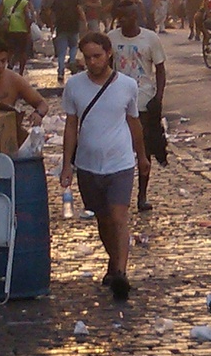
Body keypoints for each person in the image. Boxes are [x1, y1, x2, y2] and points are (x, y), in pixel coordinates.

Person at [60, 32, 148, 302]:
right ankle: (113, 261)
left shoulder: (127, 86)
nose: (92, 61)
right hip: (88, 164)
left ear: (109, 53)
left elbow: (134, 122)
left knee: (119, 217)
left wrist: (142, 156)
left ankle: (120, 273)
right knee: (103, 219)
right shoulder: (74, 86)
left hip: (120, 161)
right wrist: (66, 165)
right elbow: (71, 126)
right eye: (87, 57)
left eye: (97, 56)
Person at [110, 0, 167, 212]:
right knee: (118, 148)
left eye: (128, 16)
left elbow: (160, 69)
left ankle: (142, 195)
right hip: (117, 102)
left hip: (143, 101)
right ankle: (120, 195)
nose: (123, 21)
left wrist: (158, 98)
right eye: (120, 17)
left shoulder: (150, 39)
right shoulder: (111, 39)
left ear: (136, 17)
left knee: (144, 150)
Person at [49, 0, 87, 83]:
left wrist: (52, 26)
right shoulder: (75, 0)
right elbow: (80, 11)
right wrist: (84, 23)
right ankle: (72, 61)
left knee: (61, 52)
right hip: (73, 27)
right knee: (74, 47)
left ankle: (60, 73)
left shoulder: (57, 1)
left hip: (61, 28)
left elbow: (51, 14)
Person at [0, 0, 35, 74]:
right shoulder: (24, 2)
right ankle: (20, 72)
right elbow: (28, 17)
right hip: (21, 30)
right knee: (22, 52)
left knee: (10, 50)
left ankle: (8, 68)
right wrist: (29, 30)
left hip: (8, 29)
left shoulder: (5, 1)